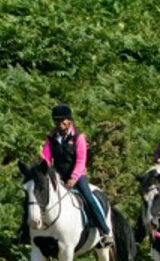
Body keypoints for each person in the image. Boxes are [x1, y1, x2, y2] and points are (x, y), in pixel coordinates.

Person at [44, 103, 112, 240]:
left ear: (69, 121)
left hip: (76, 176)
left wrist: (74, 178)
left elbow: (81, 161)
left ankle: (104, 231)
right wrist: (45, 172)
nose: (60, 123)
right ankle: (27, 231)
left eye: (63, 120)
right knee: (37, 196)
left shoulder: (78, 138)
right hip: (57, 176)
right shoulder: (51, 138)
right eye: (57, 120)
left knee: (89, 198)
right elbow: (46, 157)